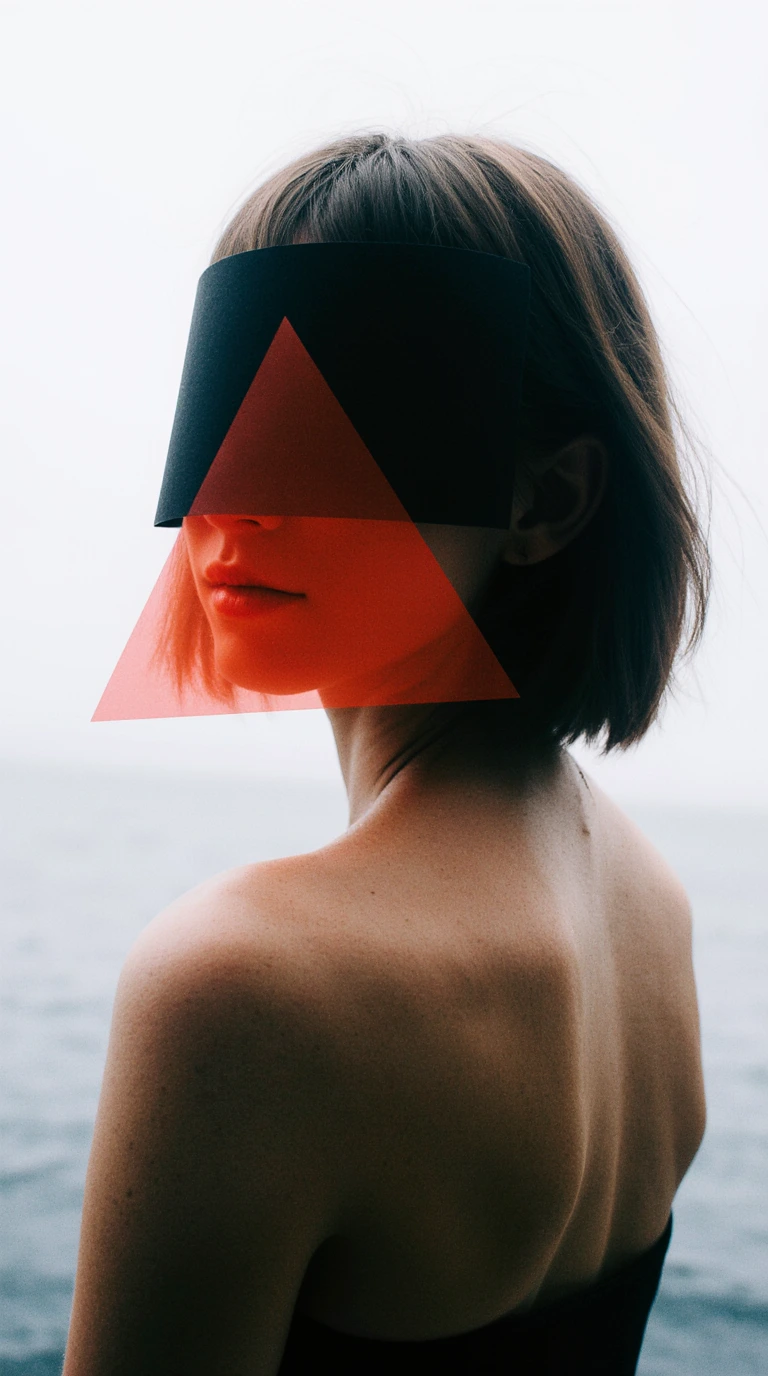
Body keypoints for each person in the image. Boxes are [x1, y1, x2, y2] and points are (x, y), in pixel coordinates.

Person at [63, 131, 709, 1375]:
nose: (233, 500)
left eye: (326, 417)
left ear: (545, 501)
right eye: (229, 403)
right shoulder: (653, 909)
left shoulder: (246, 991)